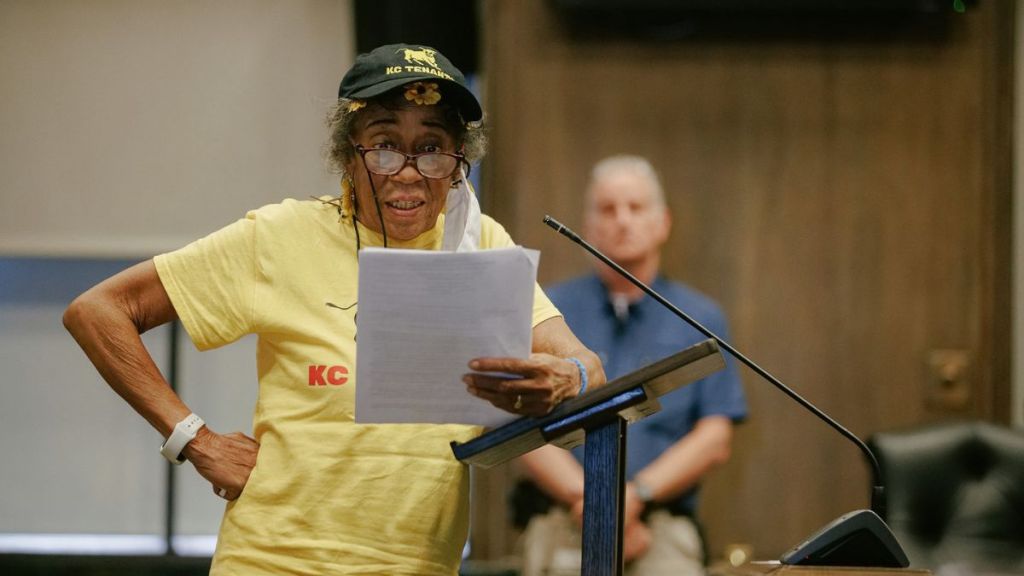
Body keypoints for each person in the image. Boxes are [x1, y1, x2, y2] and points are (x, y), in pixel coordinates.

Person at [62, 43, 604, 575]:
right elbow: (100, 311)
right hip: (273, 562)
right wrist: (193, 439)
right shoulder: (282, 235)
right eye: (384, 145)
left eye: (432, 147)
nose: (409, 172)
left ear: (458, 161)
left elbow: (588, 367)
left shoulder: (479, 244)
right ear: (348, 154)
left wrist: (567, 377)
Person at [517, 155, 748, 576]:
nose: (622, 221)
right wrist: (595, 501)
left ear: (663, 223)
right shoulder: (547, 313)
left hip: (660, 523)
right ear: (588, 226)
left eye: (636, 207)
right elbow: (519, 427)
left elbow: (715, 436)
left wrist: (635, 498)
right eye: (608, 209)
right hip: (566, 515)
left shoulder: (699, 317)